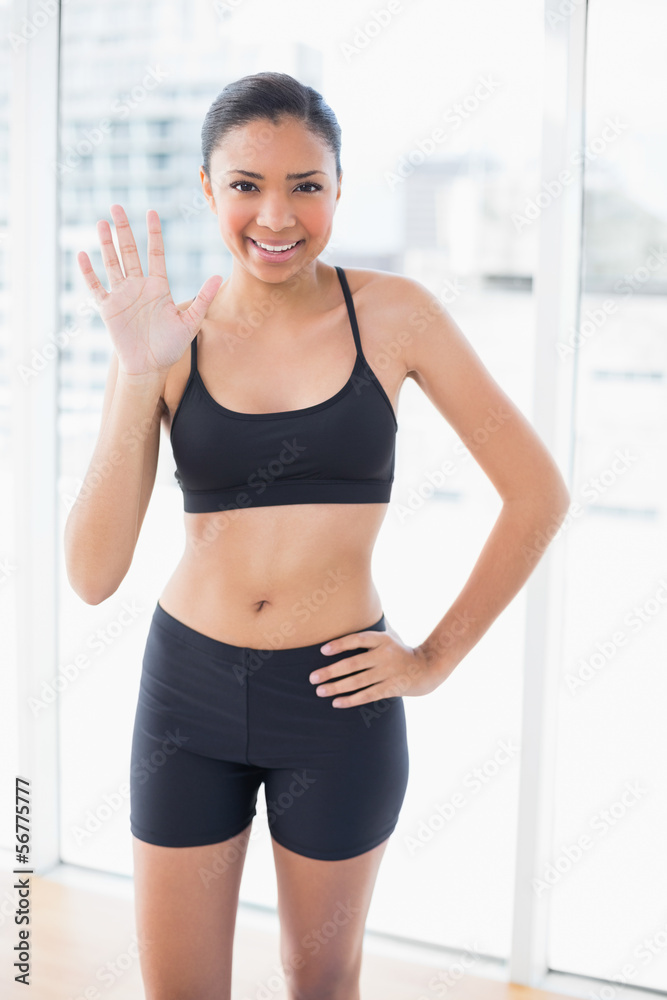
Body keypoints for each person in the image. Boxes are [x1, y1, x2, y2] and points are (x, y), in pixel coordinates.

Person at [64, 71, 570, 1000]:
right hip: (190, 693)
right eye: (247, 184)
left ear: (338, 189)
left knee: (321, 979)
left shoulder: (395, 314)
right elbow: (92, 574)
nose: (276, 215)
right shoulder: (166, 336)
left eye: (306, 185)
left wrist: (432, 659)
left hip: (339, 700)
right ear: (207, 191)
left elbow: (535, 491)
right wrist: (139, 379)